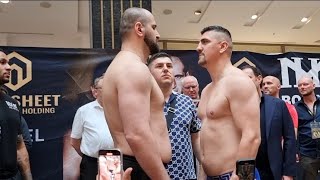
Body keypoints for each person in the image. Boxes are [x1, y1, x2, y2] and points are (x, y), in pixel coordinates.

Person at [102, 7, 171, 180]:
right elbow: (136, 134)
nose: (158, 34)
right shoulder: (133, 68)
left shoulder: (122, 65)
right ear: (139, 29)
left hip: (136, 165)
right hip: (140, 169)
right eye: (154, 27)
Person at [196, 26, 261, 180]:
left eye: (204, 42)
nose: (198, 48)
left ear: (223, 46)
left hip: (233, 175)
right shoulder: (206, 90)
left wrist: (242, 177)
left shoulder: (238, 81)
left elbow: (252, 137)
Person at [147, 52, 201, 180]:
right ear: (148, 74)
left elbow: (196, 138)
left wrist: (204, 166)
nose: (166, 69)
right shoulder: (142, 103)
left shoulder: (187, 101)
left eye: (169, 66)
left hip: (186, 176)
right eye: (159, 66)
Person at [241, 65, 296, 180]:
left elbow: (290, 138)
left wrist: (288, 172)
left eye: (248, 77)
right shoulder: (237, 106)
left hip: (274, 169)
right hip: (246, 169)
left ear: (259, 79)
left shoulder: (278, 105)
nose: (244, 81)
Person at [70, 75, 114, 180]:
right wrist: (89, 155)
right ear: (95, 92)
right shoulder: (83, 111)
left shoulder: (121, 110)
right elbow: (74, 141)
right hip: (91, 163)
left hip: (113, 161)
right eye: (106, 88)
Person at [0, 48, 33, 179]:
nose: (9, 67)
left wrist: (28, 177)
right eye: (2, 62)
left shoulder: (12, 104)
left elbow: (19, 146)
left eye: (8, 62)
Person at [295, 76, 320, 179]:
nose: (302, 87)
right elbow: (294, 131)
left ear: (313, 86)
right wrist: (296, 151)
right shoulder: (295, 107)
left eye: (305, 84)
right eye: (300, 85)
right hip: (307, 153)